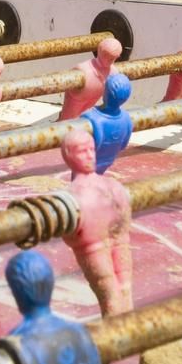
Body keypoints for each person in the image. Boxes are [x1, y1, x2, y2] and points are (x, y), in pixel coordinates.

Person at [61, 126, 134, 317]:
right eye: (82, 151)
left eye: (91, 149)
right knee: (110, 293)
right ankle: (121, 331)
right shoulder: (74, 194)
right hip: (93, 248)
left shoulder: (111, 185)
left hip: (118, 241)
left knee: (124, 289)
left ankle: (129, 330)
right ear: (69, 155)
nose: (89, 155)